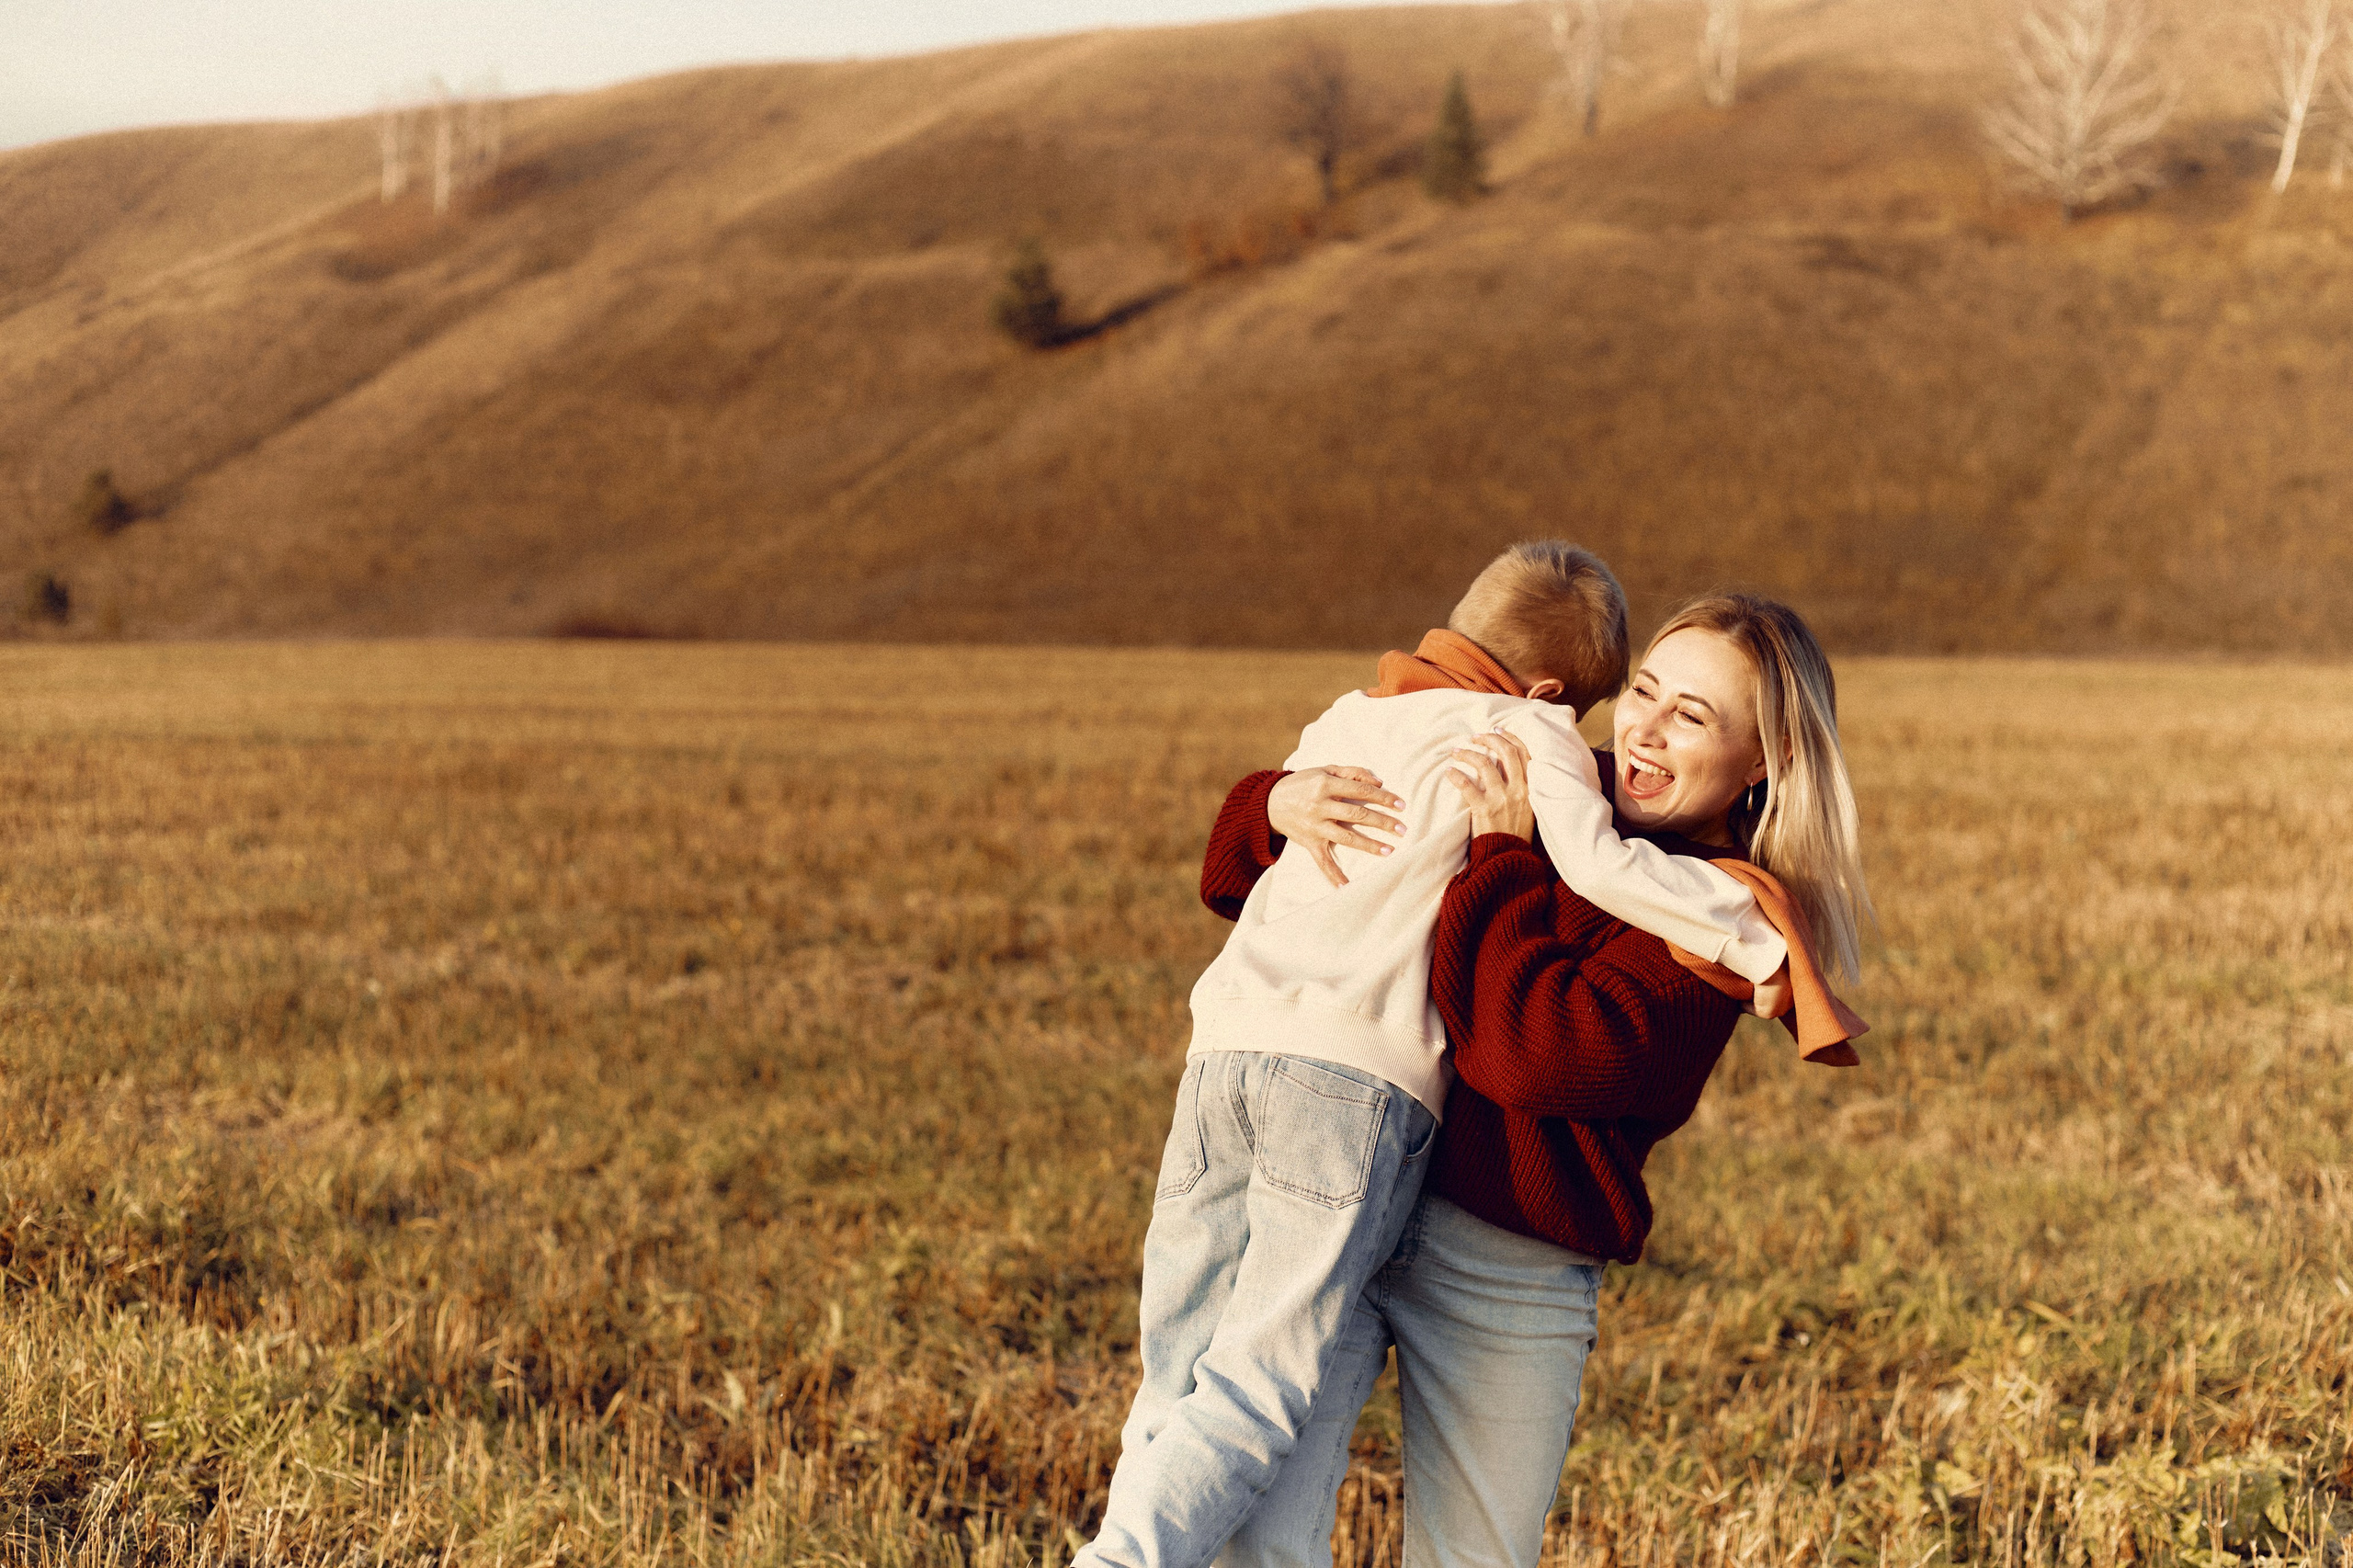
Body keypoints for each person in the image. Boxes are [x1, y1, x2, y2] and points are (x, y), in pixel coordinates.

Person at [1077, 547, 1797, 1568]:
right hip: (1366, 1182)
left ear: (1760, 762)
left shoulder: (1711, 910)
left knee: (1471, 1557)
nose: (1643, 726)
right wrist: (1275, 803)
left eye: (1694, 716)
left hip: (1507, 1264)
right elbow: (1244, 865)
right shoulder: (1535, 765)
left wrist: (1500, 859)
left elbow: (1532, 1055)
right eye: (1643, 692)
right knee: (1256, 1534)